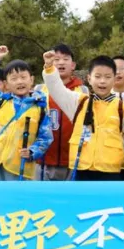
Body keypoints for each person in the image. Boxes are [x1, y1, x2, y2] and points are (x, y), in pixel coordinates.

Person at [42, 52, 124, 181]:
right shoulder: (79, 102)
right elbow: (56, 89)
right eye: (98, 76)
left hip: (110, 171)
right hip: (80, 168)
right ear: (89, 79)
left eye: (107, 77)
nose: (102, 81)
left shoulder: (123, 107)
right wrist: (49, 67)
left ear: (114, 79)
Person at [0, 46, 53, 181]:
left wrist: (32, 151)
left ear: (31, 80)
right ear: (6, 84)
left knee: (17, 196)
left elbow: (46, 137)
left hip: (20, 167)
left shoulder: (40, 107)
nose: (20, 81)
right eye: (14, 78)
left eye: (23, 77)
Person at [34, 44, 87, 181]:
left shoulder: (83, 91)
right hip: (44, 159)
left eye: (65, 59)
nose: (61, 62)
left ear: (73, 65)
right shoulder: (39, 90)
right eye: (56, 59)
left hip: (73, 159)